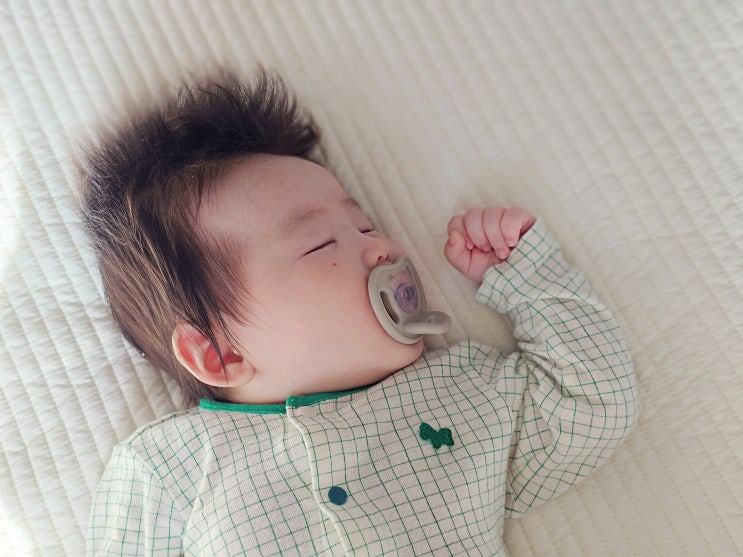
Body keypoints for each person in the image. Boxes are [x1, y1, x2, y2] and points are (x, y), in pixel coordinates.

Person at [82, 70, 639, 556]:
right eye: (321, 244)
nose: (382, 249)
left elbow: (592, 406)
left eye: (366, 225)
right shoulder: (169, 468)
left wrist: (525, 276)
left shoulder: (463, 392)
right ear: (218, 352)